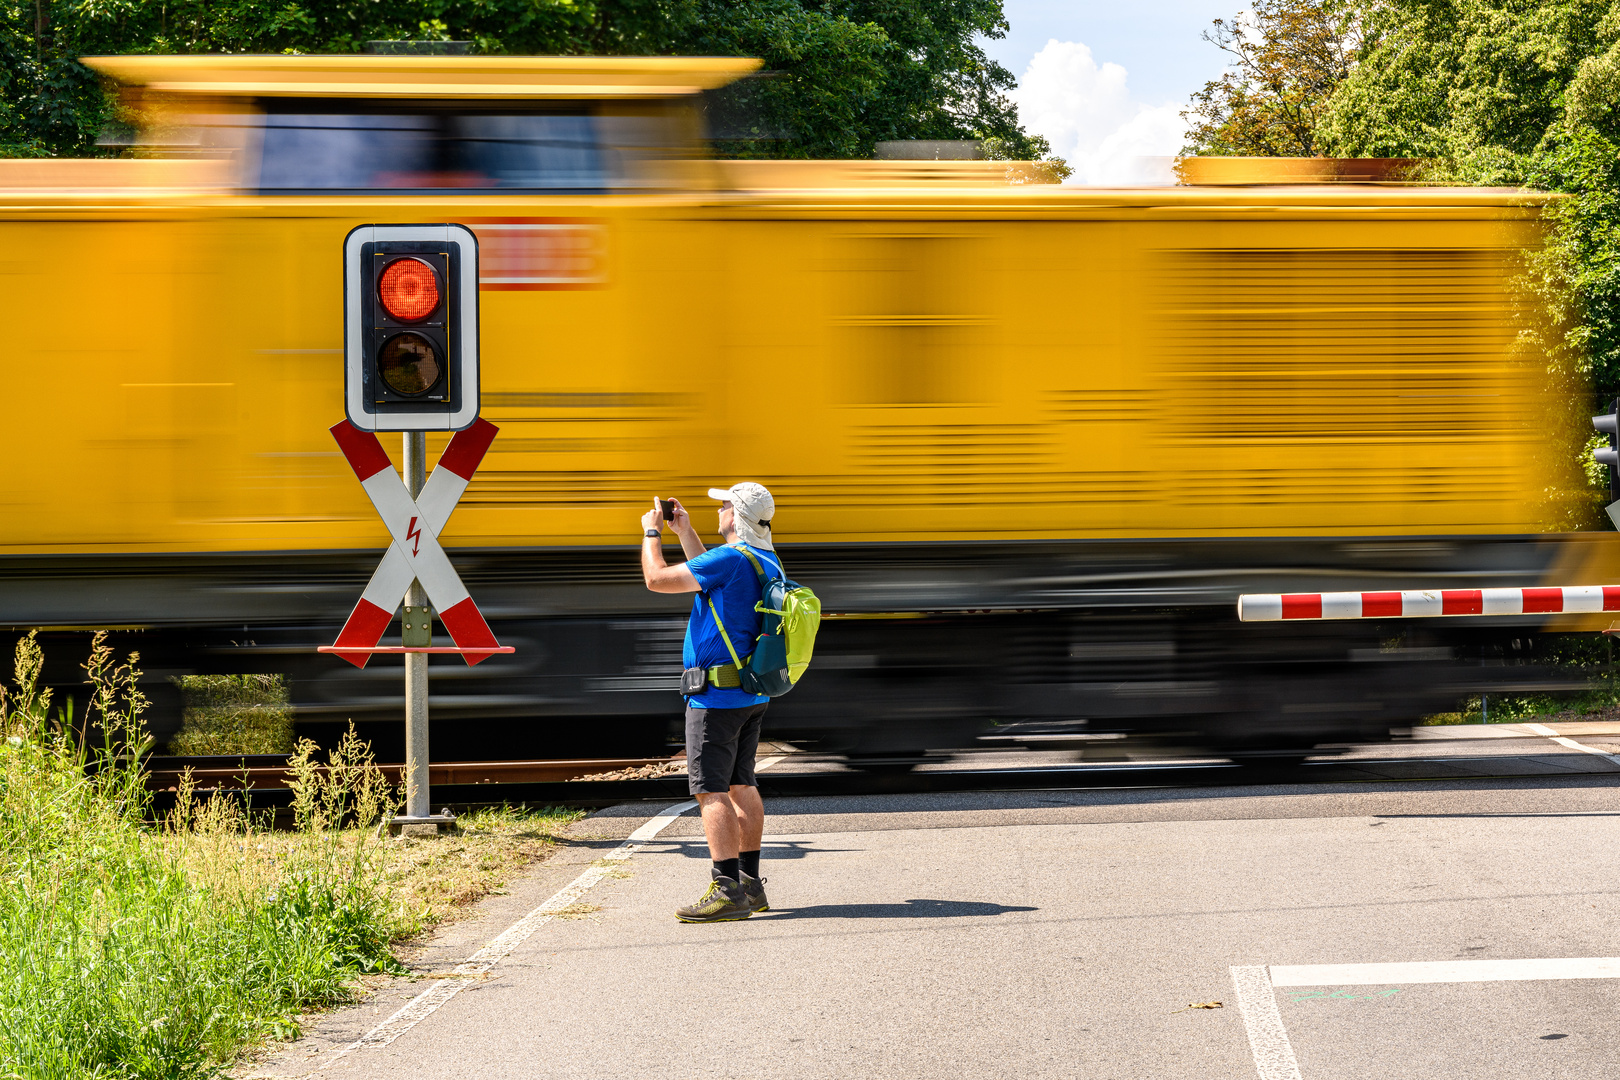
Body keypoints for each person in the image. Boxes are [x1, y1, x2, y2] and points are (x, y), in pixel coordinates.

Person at [640, 482, 781, 923]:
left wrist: (651, 534)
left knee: (711, 791)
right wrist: (684, 531)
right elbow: (710, 572)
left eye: (723, 505)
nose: (718, 509)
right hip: (751, 693)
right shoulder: (763, 560)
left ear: (736, 515)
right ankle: (750, 884)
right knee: (742, 784)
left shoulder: (729, 560)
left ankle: (725, 890)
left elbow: (656, 580)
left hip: (716, 699)